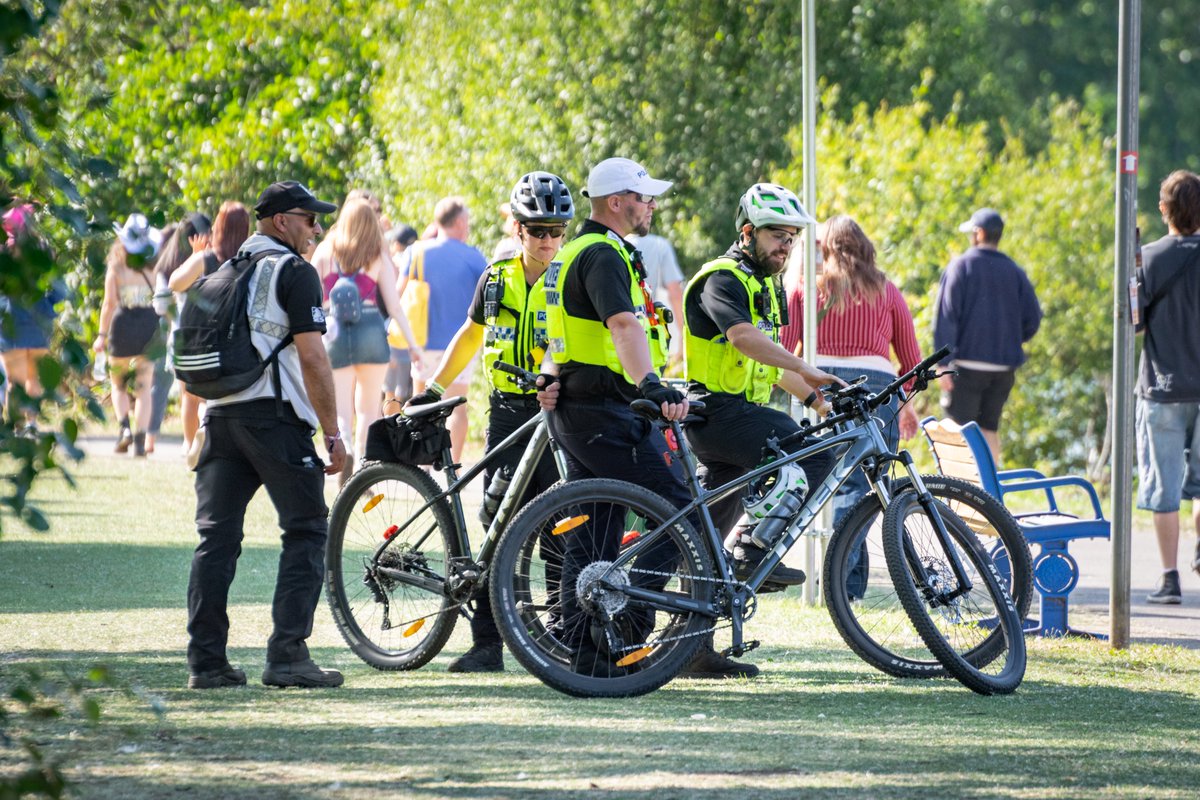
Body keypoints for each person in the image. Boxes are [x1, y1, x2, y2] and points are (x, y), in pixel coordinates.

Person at [538, 157, 710, 678]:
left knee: (594, 532)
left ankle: (587, 653)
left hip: (582, 407)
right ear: (616, 202)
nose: (652, 205)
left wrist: (551, 373)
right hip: (605, 409)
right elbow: (621, 325)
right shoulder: (602, 254)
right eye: (644, 196)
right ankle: (629, 624)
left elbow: (563, 333)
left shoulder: (575, 252)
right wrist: (651, 385)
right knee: (680, 510)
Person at [407, 171, 574, 672]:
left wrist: (551, 376)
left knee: (561, 528)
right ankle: (487, 644)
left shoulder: (571, 279)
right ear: (518, 229)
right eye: (537, 230)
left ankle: (562, 636)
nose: (547, 240)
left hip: (556, 413)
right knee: (497, 525)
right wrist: (433, 387)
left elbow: (566, 343)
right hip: (506, 413)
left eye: (556, 231)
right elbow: (469, 333)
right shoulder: (496, 277)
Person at [185, 180, 347, 690]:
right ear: (282, 221)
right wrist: (333, 434)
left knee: (215, 541)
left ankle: (206, 663)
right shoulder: (295, 272)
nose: (316, 228)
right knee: (307, 529)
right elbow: (313, 358)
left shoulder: (223, 270)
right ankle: (287, 656)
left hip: (219, 417)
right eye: (310, 219)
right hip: (274, 418)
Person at [682, 183, 840, 677]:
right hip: (719, 415)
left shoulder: (766, 286)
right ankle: (752, 550)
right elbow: (743, 339)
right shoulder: (722, 279)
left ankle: (691, 649)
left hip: (737, 418)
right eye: (777, 235)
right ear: (748, 232)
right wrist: (808, 367)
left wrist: (816, 398)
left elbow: (767, 364)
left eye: (792, 238)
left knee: (701, 538)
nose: (786, 246)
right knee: (814, 454)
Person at [787, 215, 923, 599]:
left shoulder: (806, 288)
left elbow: (783, 348)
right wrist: (904, 401)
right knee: (865, 487)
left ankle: (845, 586)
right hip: (877, 387)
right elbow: (911, 361)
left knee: (837, 483)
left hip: (818, 384)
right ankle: (842, 585)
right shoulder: (887, 291)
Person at [316, 196, 423, 482]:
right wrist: (413, 345)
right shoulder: (376, 254)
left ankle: (346, 448)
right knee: (367, 408)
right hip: (371, 333)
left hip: (336, 334)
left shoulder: (326, 251)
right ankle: (363, 467)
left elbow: (313, 294)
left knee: (342, 408)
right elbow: (395, 305)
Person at [933, 208, 1042, 465]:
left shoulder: (961, 266)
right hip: (1003, 369)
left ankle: (959, 488)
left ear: (979, 233)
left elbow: (947, 316)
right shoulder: (1015, 271)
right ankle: (990, 488)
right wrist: (1010, 340)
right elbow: (1033, 318)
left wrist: (943, 364)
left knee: (957, 429)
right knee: (989, 428)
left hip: (967, 366)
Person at [1136, 170, 1200, 604]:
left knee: (1164, 487)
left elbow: (1133, 323)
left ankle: (1170, 578)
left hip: (1162, 387)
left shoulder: (1148, 258)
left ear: (1164, 210)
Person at [398, 196, 488, 463]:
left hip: (422, 341)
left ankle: (421, 466)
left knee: (420, 405)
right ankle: (454, 467)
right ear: (458, 222)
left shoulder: (416, 252)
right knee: (457, 408)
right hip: (461, 344)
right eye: (467, 221)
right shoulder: (474, 257)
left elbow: (399, 295)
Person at [170, 202, 252, 454]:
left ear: (219, 228)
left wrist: (195, 255)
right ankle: (211, 435)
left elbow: (175, 283)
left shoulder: (206, 258)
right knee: (220, 395)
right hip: (232, 338)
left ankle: (189, 445)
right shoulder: (248, 262)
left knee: (190, 394)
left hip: (197, 336)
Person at [94, 214, 164, 457]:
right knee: (144, 387)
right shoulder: (154, 265)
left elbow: (109, 303)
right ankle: (141, 441)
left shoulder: (117, 266)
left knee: (119, 384)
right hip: (149, 324)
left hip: (123, 323)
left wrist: (101, 335)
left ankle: (125, 428)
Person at [149, 214, 211, 454]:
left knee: (188, 396)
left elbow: (160, 306)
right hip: (207, 335)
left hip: (180, 336)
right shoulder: (207, 263)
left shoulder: (166, 267)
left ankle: (188, 445)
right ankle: (202, 434)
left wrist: (175, 315)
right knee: (206, 395)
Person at [1, 205, 64, 428]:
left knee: (14, 383)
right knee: (33, 378)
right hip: (39, 320)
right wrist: (49, 305)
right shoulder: (43, 251)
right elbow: (59, 289)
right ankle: (32, 424)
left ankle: (16, 428)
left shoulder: (4, 254)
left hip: (10, 321)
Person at [627, 231, 685, 361]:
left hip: (620, 329)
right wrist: (683, 336)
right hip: (650, 331)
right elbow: (675, 293)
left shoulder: (616, 244)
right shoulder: (660, 245)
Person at [384, 223, 420, 407]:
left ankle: (391, 419)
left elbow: (394, 297)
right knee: (404, 386)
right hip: (416, 329)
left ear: (397, 244)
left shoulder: (394, 263)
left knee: (390, 387)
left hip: (395, 330)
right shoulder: (421, 261)